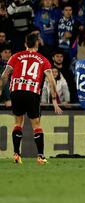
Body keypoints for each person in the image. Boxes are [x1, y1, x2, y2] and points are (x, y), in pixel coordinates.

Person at [0, 33, 62, 164]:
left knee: (18, 122)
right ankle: (40, 156)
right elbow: (51, 81)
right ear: (37, 44)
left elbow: (4, 76)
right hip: (32, 91)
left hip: (16, 90)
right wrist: (55, 100)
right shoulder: (42, 59)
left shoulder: (15, 56)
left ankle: (16, 154)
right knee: (36, 125)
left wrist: (0, 91)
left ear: (25, 44)